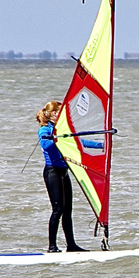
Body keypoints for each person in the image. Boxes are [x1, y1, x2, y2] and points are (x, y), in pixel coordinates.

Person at [37, 100, 85, 252]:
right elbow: (46, 145)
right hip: (52, 172)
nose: (62, 114)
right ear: (52, 114)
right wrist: (58, 135)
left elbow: (77, 142)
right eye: (59, 112)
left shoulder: (61, 130)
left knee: (68, 211)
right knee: (57, 210)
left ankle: (71, 245)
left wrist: (102, 145)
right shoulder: (44, 130)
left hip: (64, 172)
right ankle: (52, 246)